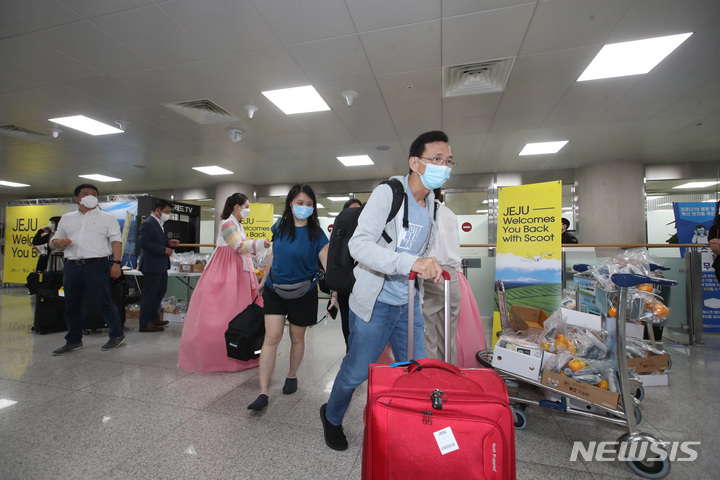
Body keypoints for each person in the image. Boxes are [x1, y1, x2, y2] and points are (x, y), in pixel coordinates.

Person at [320, 130, 446, 451]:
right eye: (436, 160)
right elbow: (359, 246)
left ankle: (405, 424)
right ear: (415, 163)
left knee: (415, 369)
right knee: (357, 371)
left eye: (448, 161)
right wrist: (411, 263)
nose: (444, 166)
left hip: (408, 303)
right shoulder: (388, 194)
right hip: (375, 303)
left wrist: (424, 266)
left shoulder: (432, 203)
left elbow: (419, 250)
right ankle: (332, 416)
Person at [247, 184, 331, 411]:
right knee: (271, 337)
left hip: (304, 292)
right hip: (275, 289)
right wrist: (264, 278)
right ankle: (263, 392)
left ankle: (292, 375)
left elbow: (327, 262)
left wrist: (335, 290)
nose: (305, 207)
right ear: (291, 204)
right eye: (300, 203)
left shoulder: (317, 234)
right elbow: (275, 254)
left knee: (296, 337)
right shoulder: (281, 227)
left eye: (309, 204)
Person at [178, 193, 270, 372]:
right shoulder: (227, 224)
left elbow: (242, 248)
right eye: (246, 206)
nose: (247, 210)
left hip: (237, 270)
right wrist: (260, 244)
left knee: (237, 308)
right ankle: (220, 355)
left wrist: (257, 249)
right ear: (236, 206)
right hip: (227, 270)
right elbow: (239, 246)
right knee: (224, 309)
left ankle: (240, 349)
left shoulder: (237, 225)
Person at [50, 184, 125, 355]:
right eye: (86, 194)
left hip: (96, 265)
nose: (90, 196)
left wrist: (116, 263)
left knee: (103, 301)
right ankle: (73, 340)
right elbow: (54, 240)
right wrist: (57, 243)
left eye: (94, 194)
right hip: (72, 265)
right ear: (77, 198)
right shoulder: (67, 218)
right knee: (72, 304)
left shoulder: (107, 218)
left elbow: (116, 241)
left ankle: (116, 334)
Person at [422, 188, 461, 364]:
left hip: (429, 272)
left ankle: (430, 377)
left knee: (427, 332)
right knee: (448, 333)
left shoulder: (423, 212)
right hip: (451, 275)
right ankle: (448, 374)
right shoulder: (449, 213)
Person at [137, 199, 180, 332]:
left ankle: (154, 318)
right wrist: (163, 250)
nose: (168, 214)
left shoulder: (159, 224)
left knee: (160, 291)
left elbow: (156, 241)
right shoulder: (148, 224)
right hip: (152, 265)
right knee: (150, 294)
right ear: (157, 210)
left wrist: (168, 242)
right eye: (166, 212)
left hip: (160, 265)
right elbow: (143, 243)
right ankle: (144, 323)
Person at [335, 198, 363, 350]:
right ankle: (349, 348)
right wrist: (334, 293)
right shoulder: (339, 236)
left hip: (364, 287)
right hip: (345, 287)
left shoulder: (369, 235)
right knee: (346, 320)